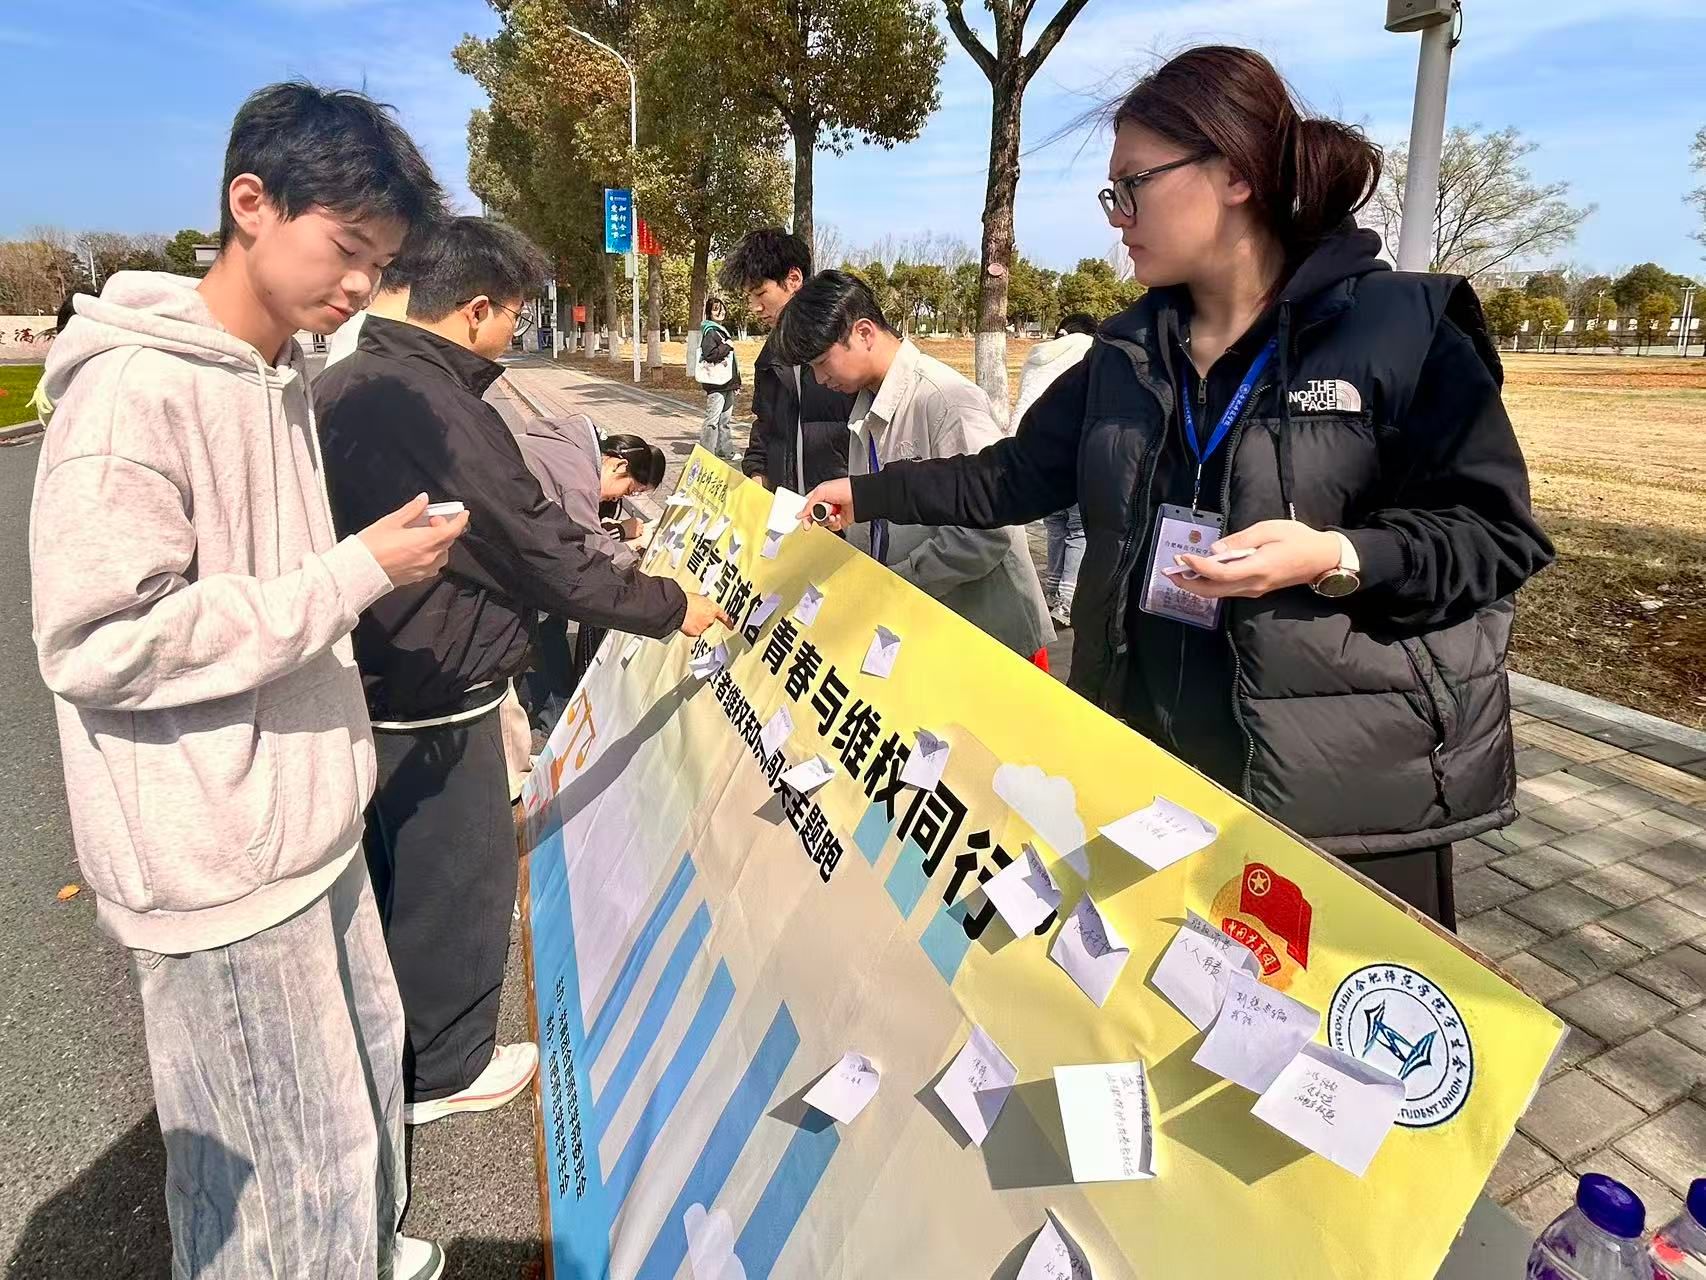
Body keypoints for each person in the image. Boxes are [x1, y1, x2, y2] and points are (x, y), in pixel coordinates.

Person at [801, 46, 1555, 928]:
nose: (1118, 218)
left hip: (1334, 796)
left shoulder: (1398, 332)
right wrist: (869, 495)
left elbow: (1495, 535)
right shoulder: (1126, 353)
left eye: (1134, 185)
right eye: (1111, 194)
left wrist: (1337, 554)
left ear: (1234, 173)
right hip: (1150, 760)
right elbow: (1012, 475)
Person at [29, 82, 457, 1280]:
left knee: (347, 1115)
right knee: (277, 1178)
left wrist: (348, 573)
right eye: (347, 246)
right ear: (251, 203)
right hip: (220, 857)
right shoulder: (133, 392)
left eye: (380, 262)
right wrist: (352, 573)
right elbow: (97, 638)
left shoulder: (274, 373)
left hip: (303, 824)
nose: (361, 284)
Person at [316, 215, 730, 1128]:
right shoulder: (438, 408)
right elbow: (539, 551)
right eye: (512, 315)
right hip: (434, 686)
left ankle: (395, 1034)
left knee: (395, 871)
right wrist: (670, 606)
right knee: (454, 875)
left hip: (374, 669)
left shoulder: (347, 382)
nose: (513, 334)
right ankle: (444, 1067)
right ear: (474, 309)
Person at [776, 271, 1053, 660]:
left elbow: (989, 531)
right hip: (925, 627)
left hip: (987, 640)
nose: (821, 379)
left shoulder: (945, 400)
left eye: (823, 363)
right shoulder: (865, 405)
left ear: (864, 333)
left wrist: (899, 581)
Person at [520, 422, 667, 723]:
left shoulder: (569, 452)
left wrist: (620, 535)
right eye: (628, 490)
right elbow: (587, 545)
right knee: (547, 622)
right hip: (517, 556)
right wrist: (636, 555)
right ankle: (558, 715)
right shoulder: (578, 477)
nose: (617, 499)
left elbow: (575, 528)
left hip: (507, 540)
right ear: (619, 465)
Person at [718, 228, 854, 492]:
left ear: (793, 279)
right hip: (787, 505)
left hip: (839, 507)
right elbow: (764, 428)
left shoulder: (844, 345)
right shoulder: (770, 354)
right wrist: (757, 473)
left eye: (760, 293)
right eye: (749, 297)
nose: (754, 307)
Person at [1016, 312, 1098, 629]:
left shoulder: (1038, 357)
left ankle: (1051, 592)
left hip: (1037, 457)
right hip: (1076, 456)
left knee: (1055, 527)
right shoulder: (1090, 353)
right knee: (1078, 530)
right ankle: (1066, 601)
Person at [696, 297, 742, 463]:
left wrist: (736, 382)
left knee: (725, 421)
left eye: (722, 308)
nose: (720, 312)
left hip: (727, 383)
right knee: (712, 421)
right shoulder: (710, 331)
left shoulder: (721, 331)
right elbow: (710, 354)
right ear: (709, 312)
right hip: (716, 384)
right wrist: (727, 345)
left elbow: (731, 362)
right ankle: (707, 454)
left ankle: (725, 450)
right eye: (716, 309)